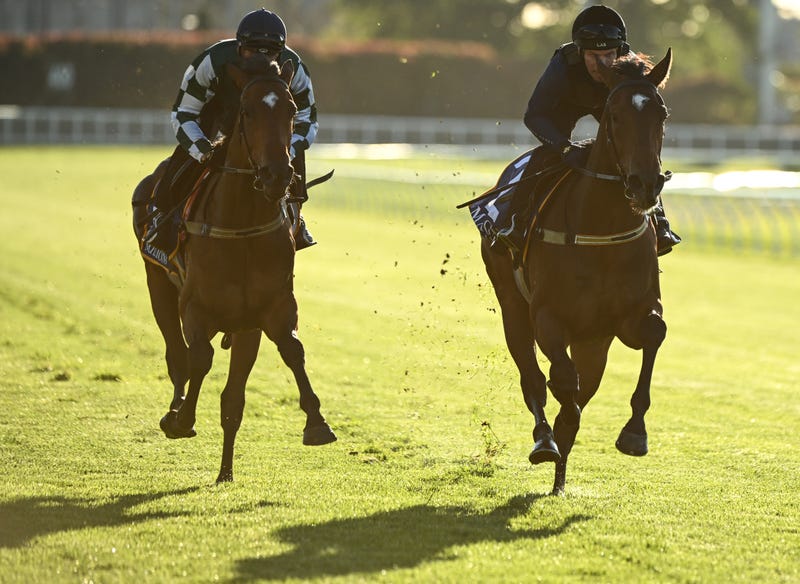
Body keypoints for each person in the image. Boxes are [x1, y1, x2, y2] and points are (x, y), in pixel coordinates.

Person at [495, 4, 681, 256]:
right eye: (593, 56)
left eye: (609, 56)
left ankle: (659, 223)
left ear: (621, 52)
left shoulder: (629, 63)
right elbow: (534, 115)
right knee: (545, 157)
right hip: (565, 107)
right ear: (580, 51)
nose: (602, 64)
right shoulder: (562, 65)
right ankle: (514, 225)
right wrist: (564, 147)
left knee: (639, 157)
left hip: (610, 104)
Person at [144, 8, 319, 258]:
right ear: (239, 47)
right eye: (253, 49)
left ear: (280, 53)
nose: (262, 58)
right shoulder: (212, 61)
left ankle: (297, 222)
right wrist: (204, 150)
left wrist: (286, 151)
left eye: (270, 52)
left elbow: (307, 117)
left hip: (268, 125)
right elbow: (184, 113)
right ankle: (164, 219)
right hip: (216, 119)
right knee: (182, 163)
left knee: (288, 159)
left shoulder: (296, 68)